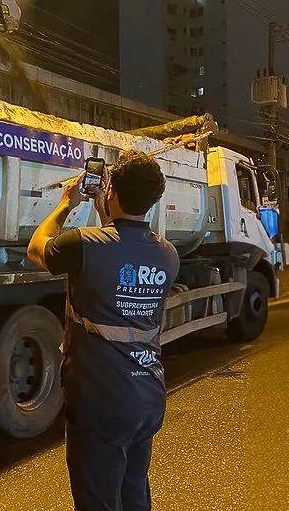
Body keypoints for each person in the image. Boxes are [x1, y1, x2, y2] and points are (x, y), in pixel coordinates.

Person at [27, 150, 180, 511]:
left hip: (101, 398)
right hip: (147, 396)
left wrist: (66, 204)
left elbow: (38, 249)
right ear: (154, 200)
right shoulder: (167, 254)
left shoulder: (82, 243)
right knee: (134, 495)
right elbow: (120, 248)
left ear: (109, 189)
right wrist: (106, 209)